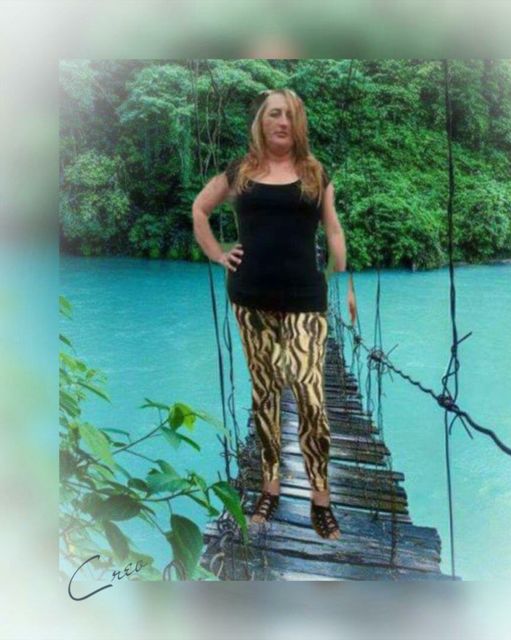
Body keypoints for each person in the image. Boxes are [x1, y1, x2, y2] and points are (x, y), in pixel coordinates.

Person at [192, 88, 357, 540]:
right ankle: (270, 486)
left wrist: (345, 279)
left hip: (305, 298)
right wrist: (218, 254)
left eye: (290, 115)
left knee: (309, 393)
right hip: (251, 298)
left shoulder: (315, 173)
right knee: (264, 394)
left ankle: (320, 497)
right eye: (274, 114)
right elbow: (200, 209)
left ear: (298, 124)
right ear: (261, 122)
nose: (282, 122)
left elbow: (333, 229)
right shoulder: (241, 172)